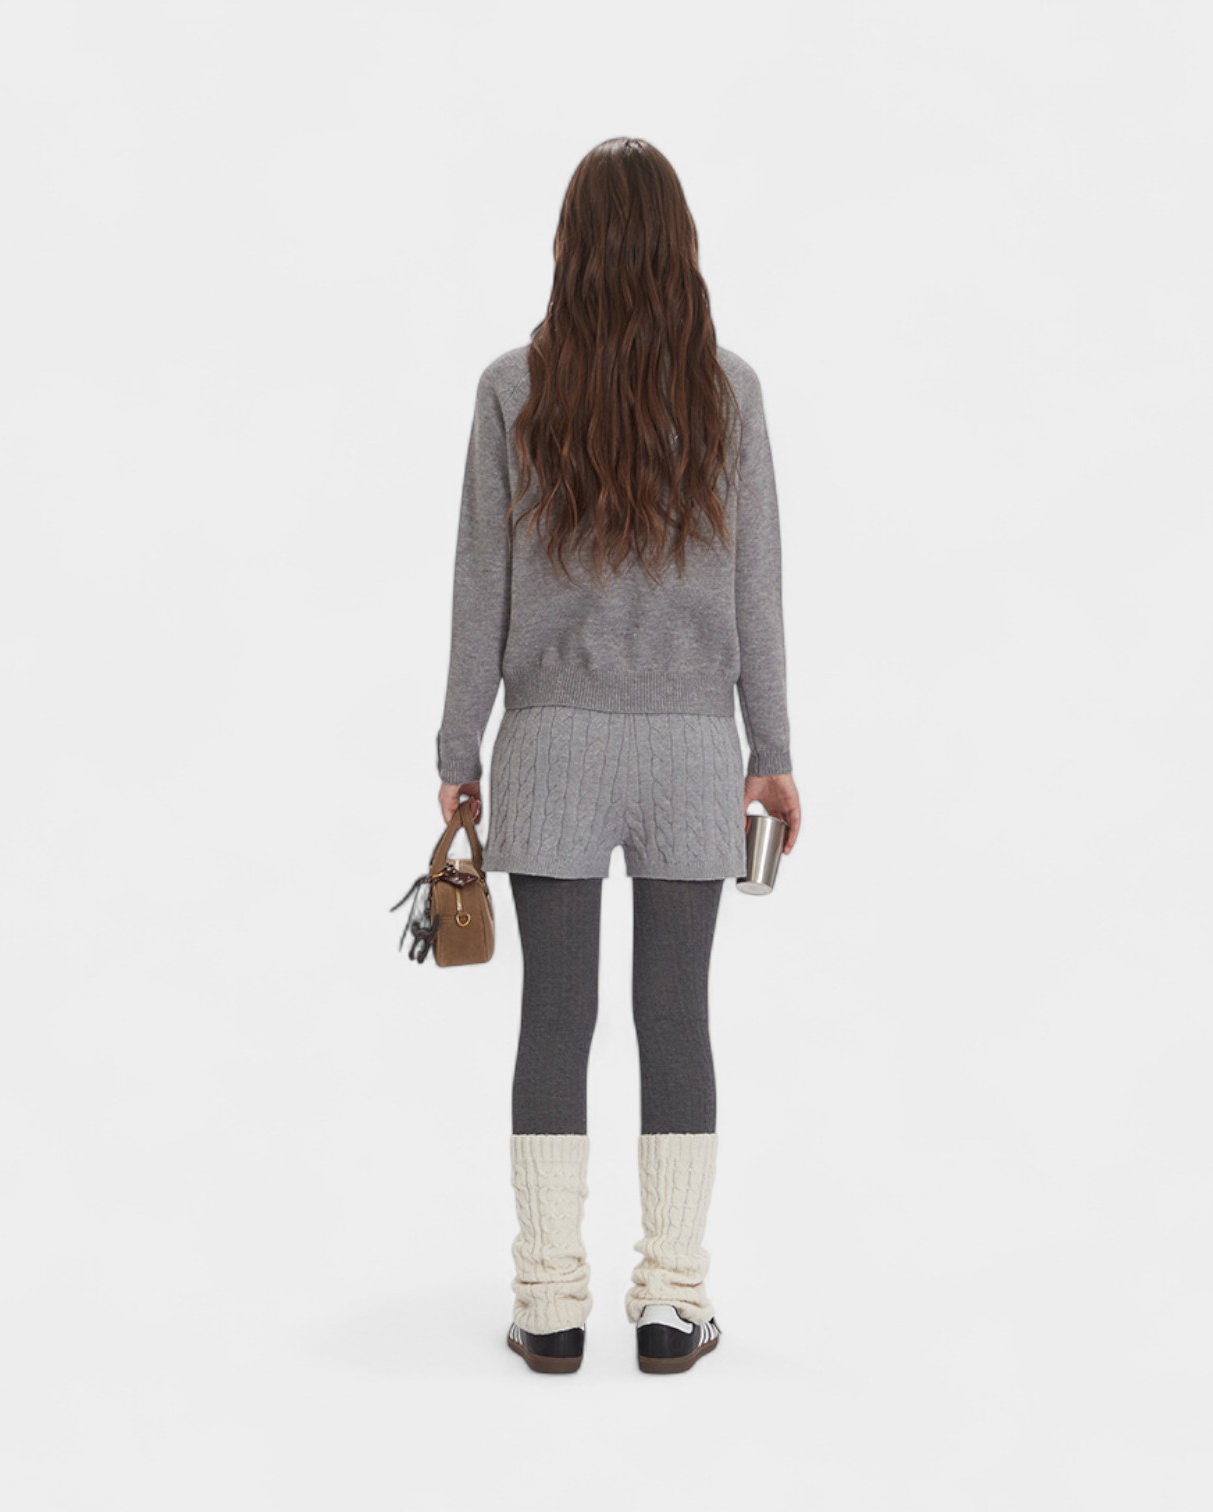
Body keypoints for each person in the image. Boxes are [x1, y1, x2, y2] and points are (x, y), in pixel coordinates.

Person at [433, 136, 802, 1375]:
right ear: (679, 249)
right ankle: (671, 1304)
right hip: (695, 748)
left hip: (548, 744)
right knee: (675, 1018)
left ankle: (548, 1307)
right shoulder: (730, 392)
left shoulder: (510, 388)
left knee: (555, 1018)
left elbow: (479, 584)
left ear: (569, 247)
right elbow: (758, 587)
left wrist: (459, 745)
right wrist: (772, 748)